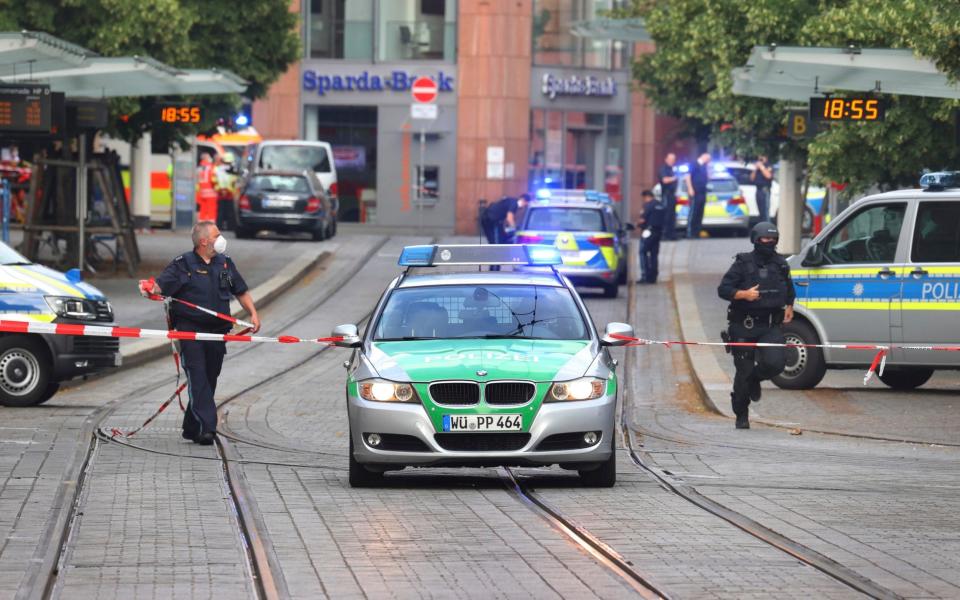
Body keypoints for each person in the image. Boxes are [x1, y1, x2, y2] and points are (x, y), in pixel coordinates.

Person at [139, 221, 261, 445]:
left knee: (209, 378)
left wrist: (253, 313)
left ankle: (191, 427)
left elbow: (239, 290)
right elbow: (160, 287)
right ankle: (207, 427)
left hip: (217, 333)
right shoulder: (182, 265)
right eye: (217, 234)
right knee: (197, 378)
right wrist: (149, 288)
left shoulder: (224, 265)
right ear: (204, 241)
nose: (221, 238)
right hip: (190, 333)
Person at [717, 221, 795, 429]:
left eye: (773, 239)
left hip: (770, 325)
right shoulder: (743, 263)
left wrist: (789, 306)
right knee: (743, 372)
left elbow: (789, 289)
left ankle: (755, 379)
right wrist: (743, 294)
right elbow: (723, 289)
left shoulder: (781, 264)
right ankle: (741, 415)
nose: (769, 242)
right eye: (765, 239)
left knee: (776, 363)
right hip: (744, 325)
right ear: (756, 239)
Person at [637, 190, 664, 284]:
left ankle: (645, 275)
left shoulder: (648, 206)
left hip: (648, 231)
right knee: (654, 254)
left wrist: (637, 225)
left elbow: (642, 220)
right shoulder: (660, 205)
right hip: (658, 232)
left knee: (642, 252)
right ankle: (653, 276)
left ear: (646, 197)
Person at [685, 152, 711, 239]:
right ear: (703, 157)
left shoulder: (704, 166)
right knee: (693, 212)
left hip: (702, 192)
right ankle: (690, 233)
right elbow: (688, 176)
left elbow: (707, 177)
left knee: (700, 213)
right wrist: (690, 188)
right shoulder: (694, 164)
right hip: (695, 192)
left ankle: (696, 232)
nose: (708, 161)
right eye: (708, 159)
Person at [659, 153, 679, 240]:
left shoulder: (672, 169)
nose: (672, 161)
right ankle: (664, 235)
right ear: (666, 159)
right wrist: (674, 178)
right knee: (666, 215)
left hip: (672, 194)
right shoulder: (663, 169)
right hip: (666, 194)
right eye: (670, 159)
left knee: (672, 215)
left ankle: (671, 234)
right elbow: (664, 180)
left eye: (673, 160)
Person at [197, 153, 219, 223]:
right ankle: (211, 224)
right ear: (206, 158)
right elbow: (214, 180)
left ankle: (201, 223)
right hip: (211, 192)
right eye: (209, 157)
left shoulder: (199, 168)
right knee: (211, 209)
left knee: (203, 209)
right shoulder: (212, 167)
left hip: (201, 192)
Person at [751, 154, 774, 222]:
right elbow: (752, 178)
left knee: (765, 213)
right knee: (761, 212)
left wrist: (762, 167)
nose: (759, 158)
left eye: (761, 156)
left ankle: (767, 229)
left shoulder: (768, 165)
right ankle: (762, 228)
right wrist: (755, 169)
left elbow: (768, 176)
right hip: (758, 190)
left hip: (765, 190)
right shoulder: (757, 168)